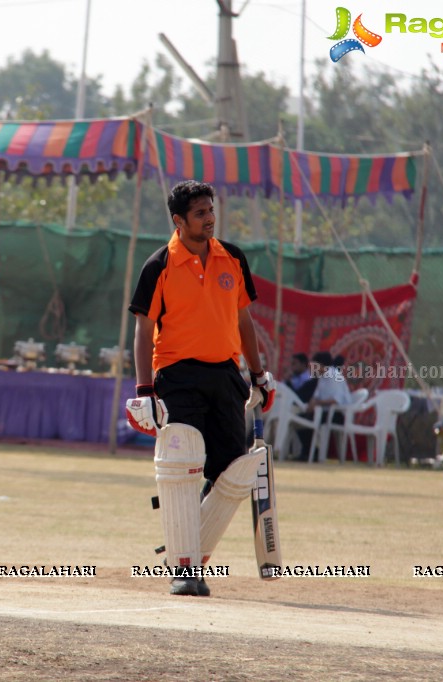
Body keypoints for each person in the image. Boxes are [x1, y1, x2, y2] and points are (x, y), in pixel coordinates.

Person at [125, 180, 275, 597]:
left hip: (227, 374)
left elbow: (244, 321)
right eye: (199, 213)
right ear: (178, 220)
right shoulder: (159, 265)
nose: (209, 218)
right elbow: (142, 330)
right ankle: (185, 570)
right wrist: (144, 390)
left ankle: (183, 549)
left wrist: (259, 375)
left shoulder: (232, 258)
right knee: (184, 464)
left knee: (231, 474)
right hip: (176, 374)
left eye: (211, 210)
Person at [295, 352, 352, 460]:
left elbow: (335, 400)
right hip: (324, 412)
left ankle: (312, 453)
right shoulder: (322, 377)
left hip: (337, 414)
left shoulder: (335, 376)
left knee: (309, 421)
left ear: (320, 365)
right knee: (299, 420)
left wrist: (317, 403)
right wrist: (312, 403)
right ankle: (309, 452)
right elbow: (316, 396)